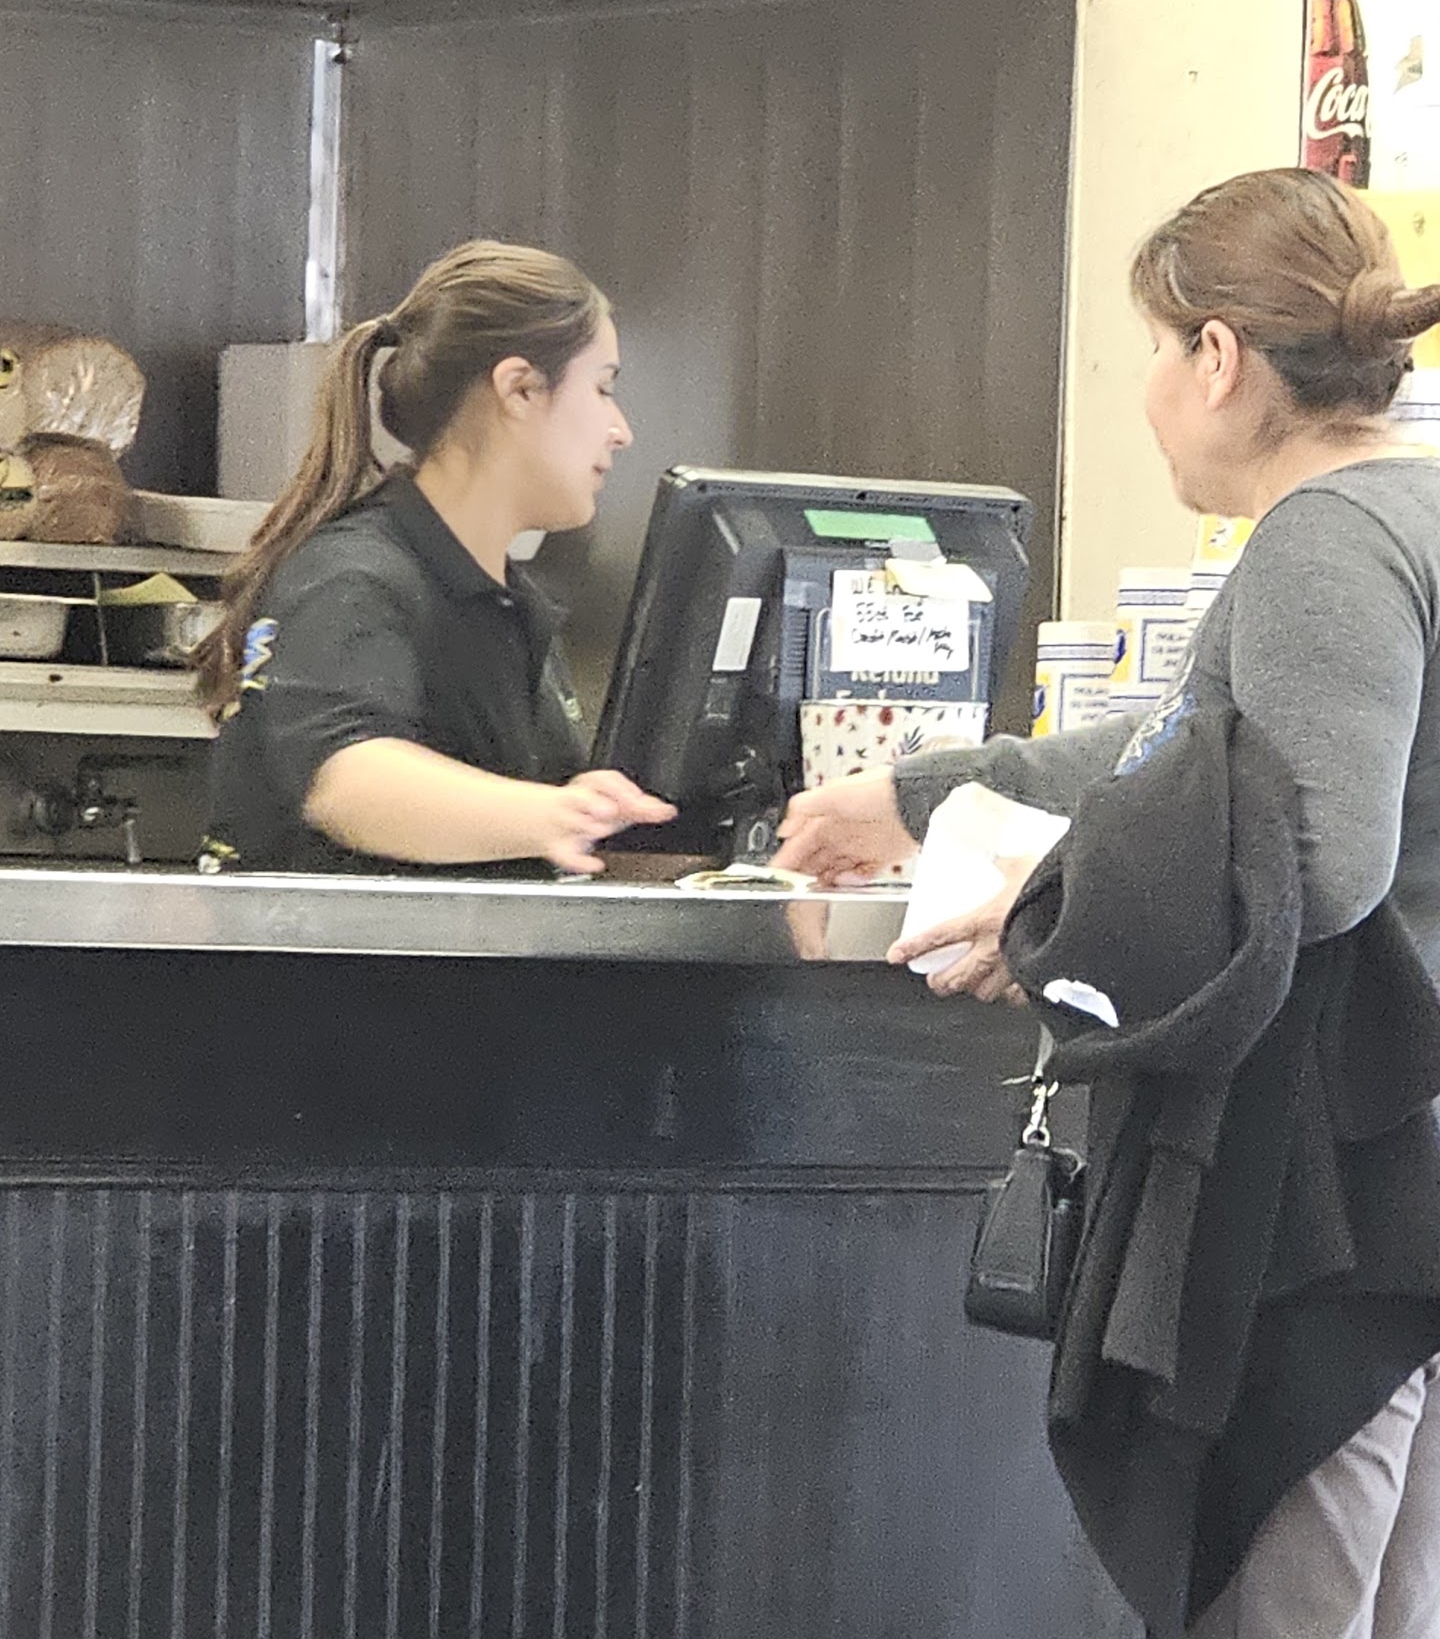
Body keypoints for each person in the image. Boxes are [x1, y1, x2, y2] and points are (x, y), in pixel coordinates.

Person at [774, 167, 1440, 1639]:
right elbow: (1200, 758)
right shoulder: (1408, 515)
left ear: (1219, 357)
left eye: (1154, 346)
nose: (1147, 389)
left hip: (1337, 1209)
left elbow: (1319, 855)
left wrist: (1058, 909)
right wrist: (930, 792)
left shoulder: (1330, 537)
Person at [195, 239, 675, 875]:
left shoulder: (510, 603)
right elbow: (350, 782)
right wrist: (551, 815)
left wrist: (591, 812)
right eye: (603, 387)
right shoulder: (353, 577)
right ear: (520, 389)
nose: (621, 431)